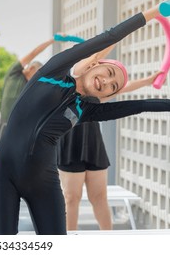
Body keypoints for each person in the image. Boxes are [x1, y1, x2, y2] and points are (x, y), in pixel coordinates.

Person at [0, 2, 169, 235]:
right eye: (109, 73)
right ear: (94, 64)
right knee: (1, 246)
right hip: (3, 174)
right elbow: (110, 36)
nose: (107, 82)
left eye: (113, 87)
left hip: (44, 185)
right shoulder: (52, 73)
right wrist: (155, 13)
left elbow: (142, 105)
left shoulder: (85, 110)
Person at [57, 69, 161, 231]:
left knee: (99, 197)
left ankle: (109, 242)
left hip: (93, 145)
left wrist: (147, 81)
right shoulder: (62, 90)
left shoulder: (96, 91)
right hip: (69, 147)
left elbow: (123, 88)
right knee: (71, 198)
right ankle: (70, 243)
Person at [0, 38, 56, 140]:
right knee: (2, 154)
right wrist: (53, 40)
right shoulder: (14, 73)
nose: (37, 78)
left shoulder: (31, 86)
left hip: (21, 126)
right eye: (37, 73)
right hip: (6, 124)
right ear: (31, 68)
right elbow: (33, 53)